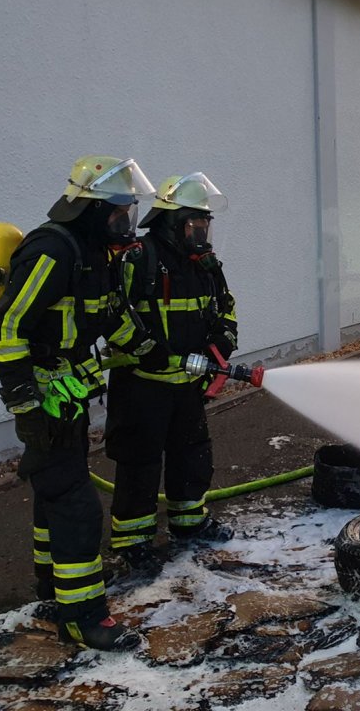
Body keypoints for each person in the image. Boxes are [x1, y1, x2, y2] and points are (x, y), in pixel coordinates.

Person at [0, 156, 155, 650]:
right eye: (118, 211)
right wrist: (25, 404)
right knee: (77, 507)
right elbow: (7, 328)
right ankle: (82, 617)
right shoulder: (53, 250)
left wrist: (153, 351)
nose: (126, 221)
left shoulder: (96, 255)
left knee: (54, 495)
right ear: (91, 209)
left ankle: (52, 587)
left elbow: (110, 317)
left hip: (70, 394)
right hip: (45, 400)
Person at [104, 172, 238, 577]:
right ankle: (133, 542)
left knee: (192, 456)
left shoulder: (205, 265)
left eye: (205, 224)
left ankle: (189, 522)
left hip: (188, 385)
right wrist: (147, 351)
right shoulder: (138, 258)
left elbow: (226, 307)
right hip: (142, 386)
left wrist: (222, 341)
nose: (202, 232)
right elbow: (111, 312)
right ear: (172, 222)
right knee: (140, 464)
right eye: (195, 224)